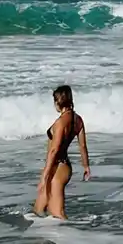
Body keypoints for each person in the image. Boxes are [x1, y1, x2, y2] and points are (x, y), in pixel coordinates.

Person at [34, 84, 89, 219]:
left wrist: (44, 176)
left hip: (57, 167)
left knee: (57, 212)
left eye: (55, 101)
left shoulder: (61, 122)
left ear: (59, 101)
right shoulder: (78, 120)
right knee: (39, 208)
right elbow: (82, 146)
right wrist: (86, 166)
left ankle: (74, 237)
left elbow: (54, 150)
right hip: (63, 166)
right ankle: (42, 236)